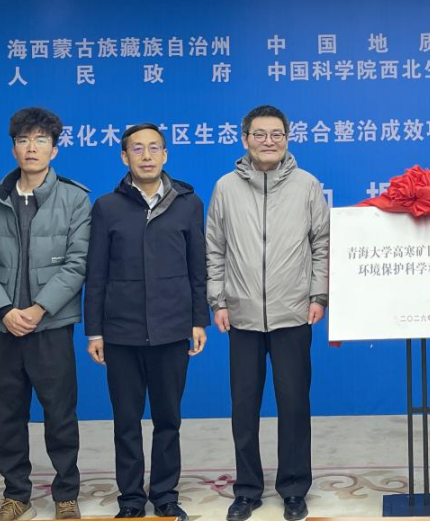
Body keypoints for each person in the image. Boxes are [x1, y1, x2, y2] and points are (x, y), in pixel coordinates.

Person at [206, 105, 330, 521]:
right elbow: (214, 248)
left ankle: (294, 488)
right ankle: (247, 490)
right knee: (244, 408)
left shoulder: (307, 185)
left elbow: (321, 244)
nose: (268, 141)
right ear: (245, 139)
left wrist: (318, 295)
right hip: (241, 314)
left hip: (293, 312)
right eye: (259, 134)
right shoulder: (226, 187)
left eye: (277, 134)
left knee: (293, 405)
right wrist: (218, 300)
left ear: (287, 139)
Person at [0, 106, 90, 521]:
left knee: (60, 414)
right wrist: (4, 310)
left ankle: (66, 494)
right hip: (1, 327)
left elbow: (78, 263)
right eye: (23, 140)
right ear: (14, 148)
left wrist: (39, 309)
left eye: (41, 140)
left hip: (50, 326)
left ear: (55, 149)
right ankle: (15, 494)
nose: (31, 147)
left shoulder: (75, 199)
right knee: (5, 414)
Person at [84, 123, 209, 521]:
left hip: (173, 328)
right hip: (121, 332)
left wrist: (198, 320)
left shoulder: (188, 203)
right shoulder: (107, 207)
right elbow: (96, 273)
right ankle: (131, 500)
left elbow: (198, 268)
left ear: (166, 154)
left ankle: (166, 495)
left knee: (168, 419)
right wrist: (94, 330)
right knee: (126, 421)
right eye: (137, 149)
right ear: (124, 157)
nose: (147, 155)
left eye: (155, 147)